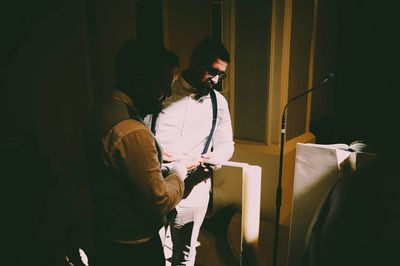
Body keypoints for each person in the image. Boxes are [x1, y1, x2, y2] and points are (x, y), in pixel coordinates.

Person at [84, 39, 188, 266]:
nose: (168, 94)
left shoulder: (102, 110)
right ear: (140, 83)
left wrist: (154, 158)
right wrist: (179, 173)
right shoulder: (132, 132)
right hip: (134, 247)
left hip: (107, 231)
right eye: (163, 86)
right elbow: (158, 201)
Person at [146, 37, 234, 265]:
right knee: (153, 250)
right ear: (195, 61)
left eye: (221, 75)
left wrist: (217, 158)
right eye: (212, 71)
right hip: (156, 182)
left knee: (185, 253)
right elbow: (140, 131)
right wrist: (160, 153)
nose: (216, 80)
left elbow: (226, 144)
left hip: (193, 188)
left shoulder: (219, 102)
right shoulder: (162, 91)